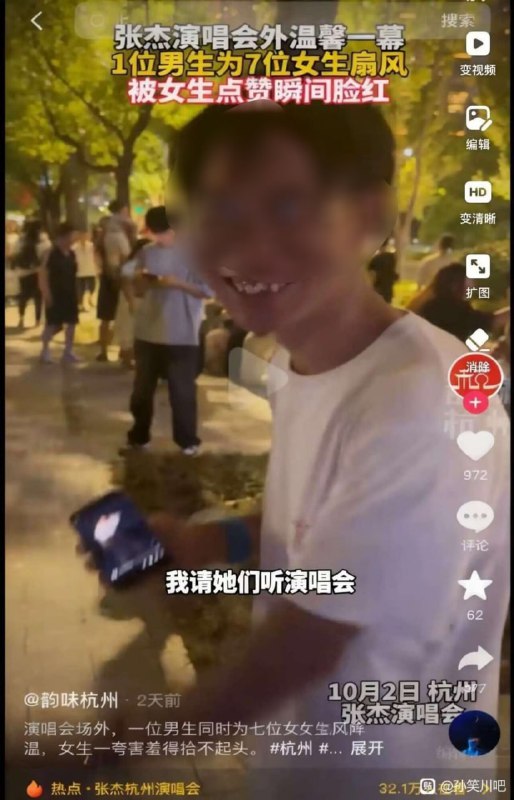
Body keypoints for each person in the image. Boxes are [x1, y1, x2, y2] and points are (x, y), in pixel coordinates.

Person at [86, 104, 509, 795]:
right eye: (218, 212)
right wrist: (206, 543)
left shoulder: (422, 397)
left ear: (369, 216)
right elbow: (328, 525)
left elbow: (315, 639)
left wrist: (126, 741)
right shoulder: (298, 357)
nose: (243, 247)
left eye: (287, 207)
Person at [122, 206, 211, 456]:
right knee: (141, 390)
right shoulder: (147, 252)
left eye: (163, 232)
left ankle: (187, 441)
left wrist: (178, 283)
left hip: (182, 333)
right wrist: (138, 280)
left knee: (182, 392)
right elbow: (127, 275)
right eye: (155, 232)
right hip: (148, 330)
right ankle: (139, 435)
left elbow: (207, 291)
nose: (159, 238)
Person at [413, 263, 510, 342]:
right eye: (469, 280)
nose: (473, 285)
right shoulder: (454, 309)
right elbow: (490, 321)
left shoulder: (429, 306)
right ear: (457, 284)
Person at [94, 200, 134, 362]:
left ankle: (103, 351)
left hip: (107, 275)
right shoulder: (121, 231)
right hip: (120, 277)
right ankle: (125, 352)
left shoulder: (105, 229)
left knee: (106, 316)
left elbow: (98, 250)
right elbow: (126, 255)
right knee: (124, 315)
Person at [38, 222, 79, 364]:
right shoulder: (51, 253)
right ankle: (45, 350)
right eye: (71, 236)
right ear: (64, 236)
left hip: (70, 292)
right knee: (53, 323)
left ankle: (68, 351)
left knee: (72, 323)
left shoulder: (72, 253)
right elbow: (43, 274)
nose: (73, 239)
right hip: (55, 293)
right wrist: (46, 292)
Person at [113, 237, 152, 369]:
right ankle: (127, 358)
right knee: (128, 330)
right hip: (130, 299)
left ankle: (132, 357)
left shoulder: (150, 265)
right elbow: (125, 283)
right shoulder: (130, 265)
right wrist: (130, 301)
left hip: (144, 300)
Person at [12, 219, 50, 329]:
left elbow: (15, 253)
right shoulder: (44, 239)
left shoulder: (21, 239)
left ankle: (21, 318)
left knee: (23, 296)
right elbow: (48, 255)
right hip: (38, 272)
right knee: (38, 297)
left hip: (23, 272)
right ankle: (37, 321)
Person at [73, 229, 98, 311]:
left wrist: (97, 267)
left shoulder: (91, 246)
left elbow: (95, 256)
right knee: (80, 290)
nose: (84, 237)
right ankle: (80, 304)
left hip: (90, 270)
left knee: (92, 287)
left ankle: (90, 299)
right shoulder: (74, 247)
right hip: (80, 271)